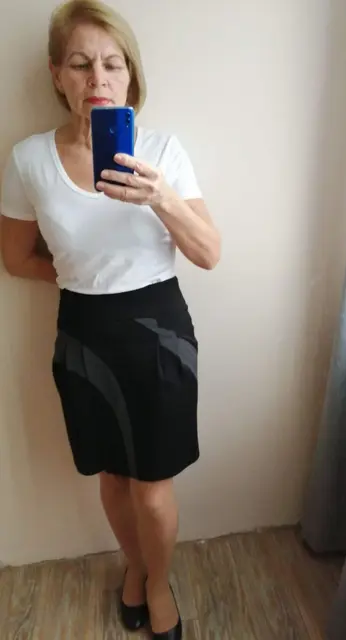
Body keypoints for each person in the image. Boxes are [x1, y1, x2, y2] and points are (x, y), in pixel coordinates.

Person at [0, 1, 220, 638]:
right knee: (115, 477)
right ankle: (136, 567)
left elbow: (209, 253)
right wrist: (83, 275)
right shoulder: (28, 160)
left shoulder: (162, 151)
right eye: (80, 64)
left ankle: (158, 581)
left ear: (130, 75)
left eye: (111, 63)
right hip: (85, 332)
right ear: (57, 75)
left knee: (152, 487)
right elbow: (16, 258)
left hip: (159, 330)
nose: (97, 77)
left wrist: (160, 195)